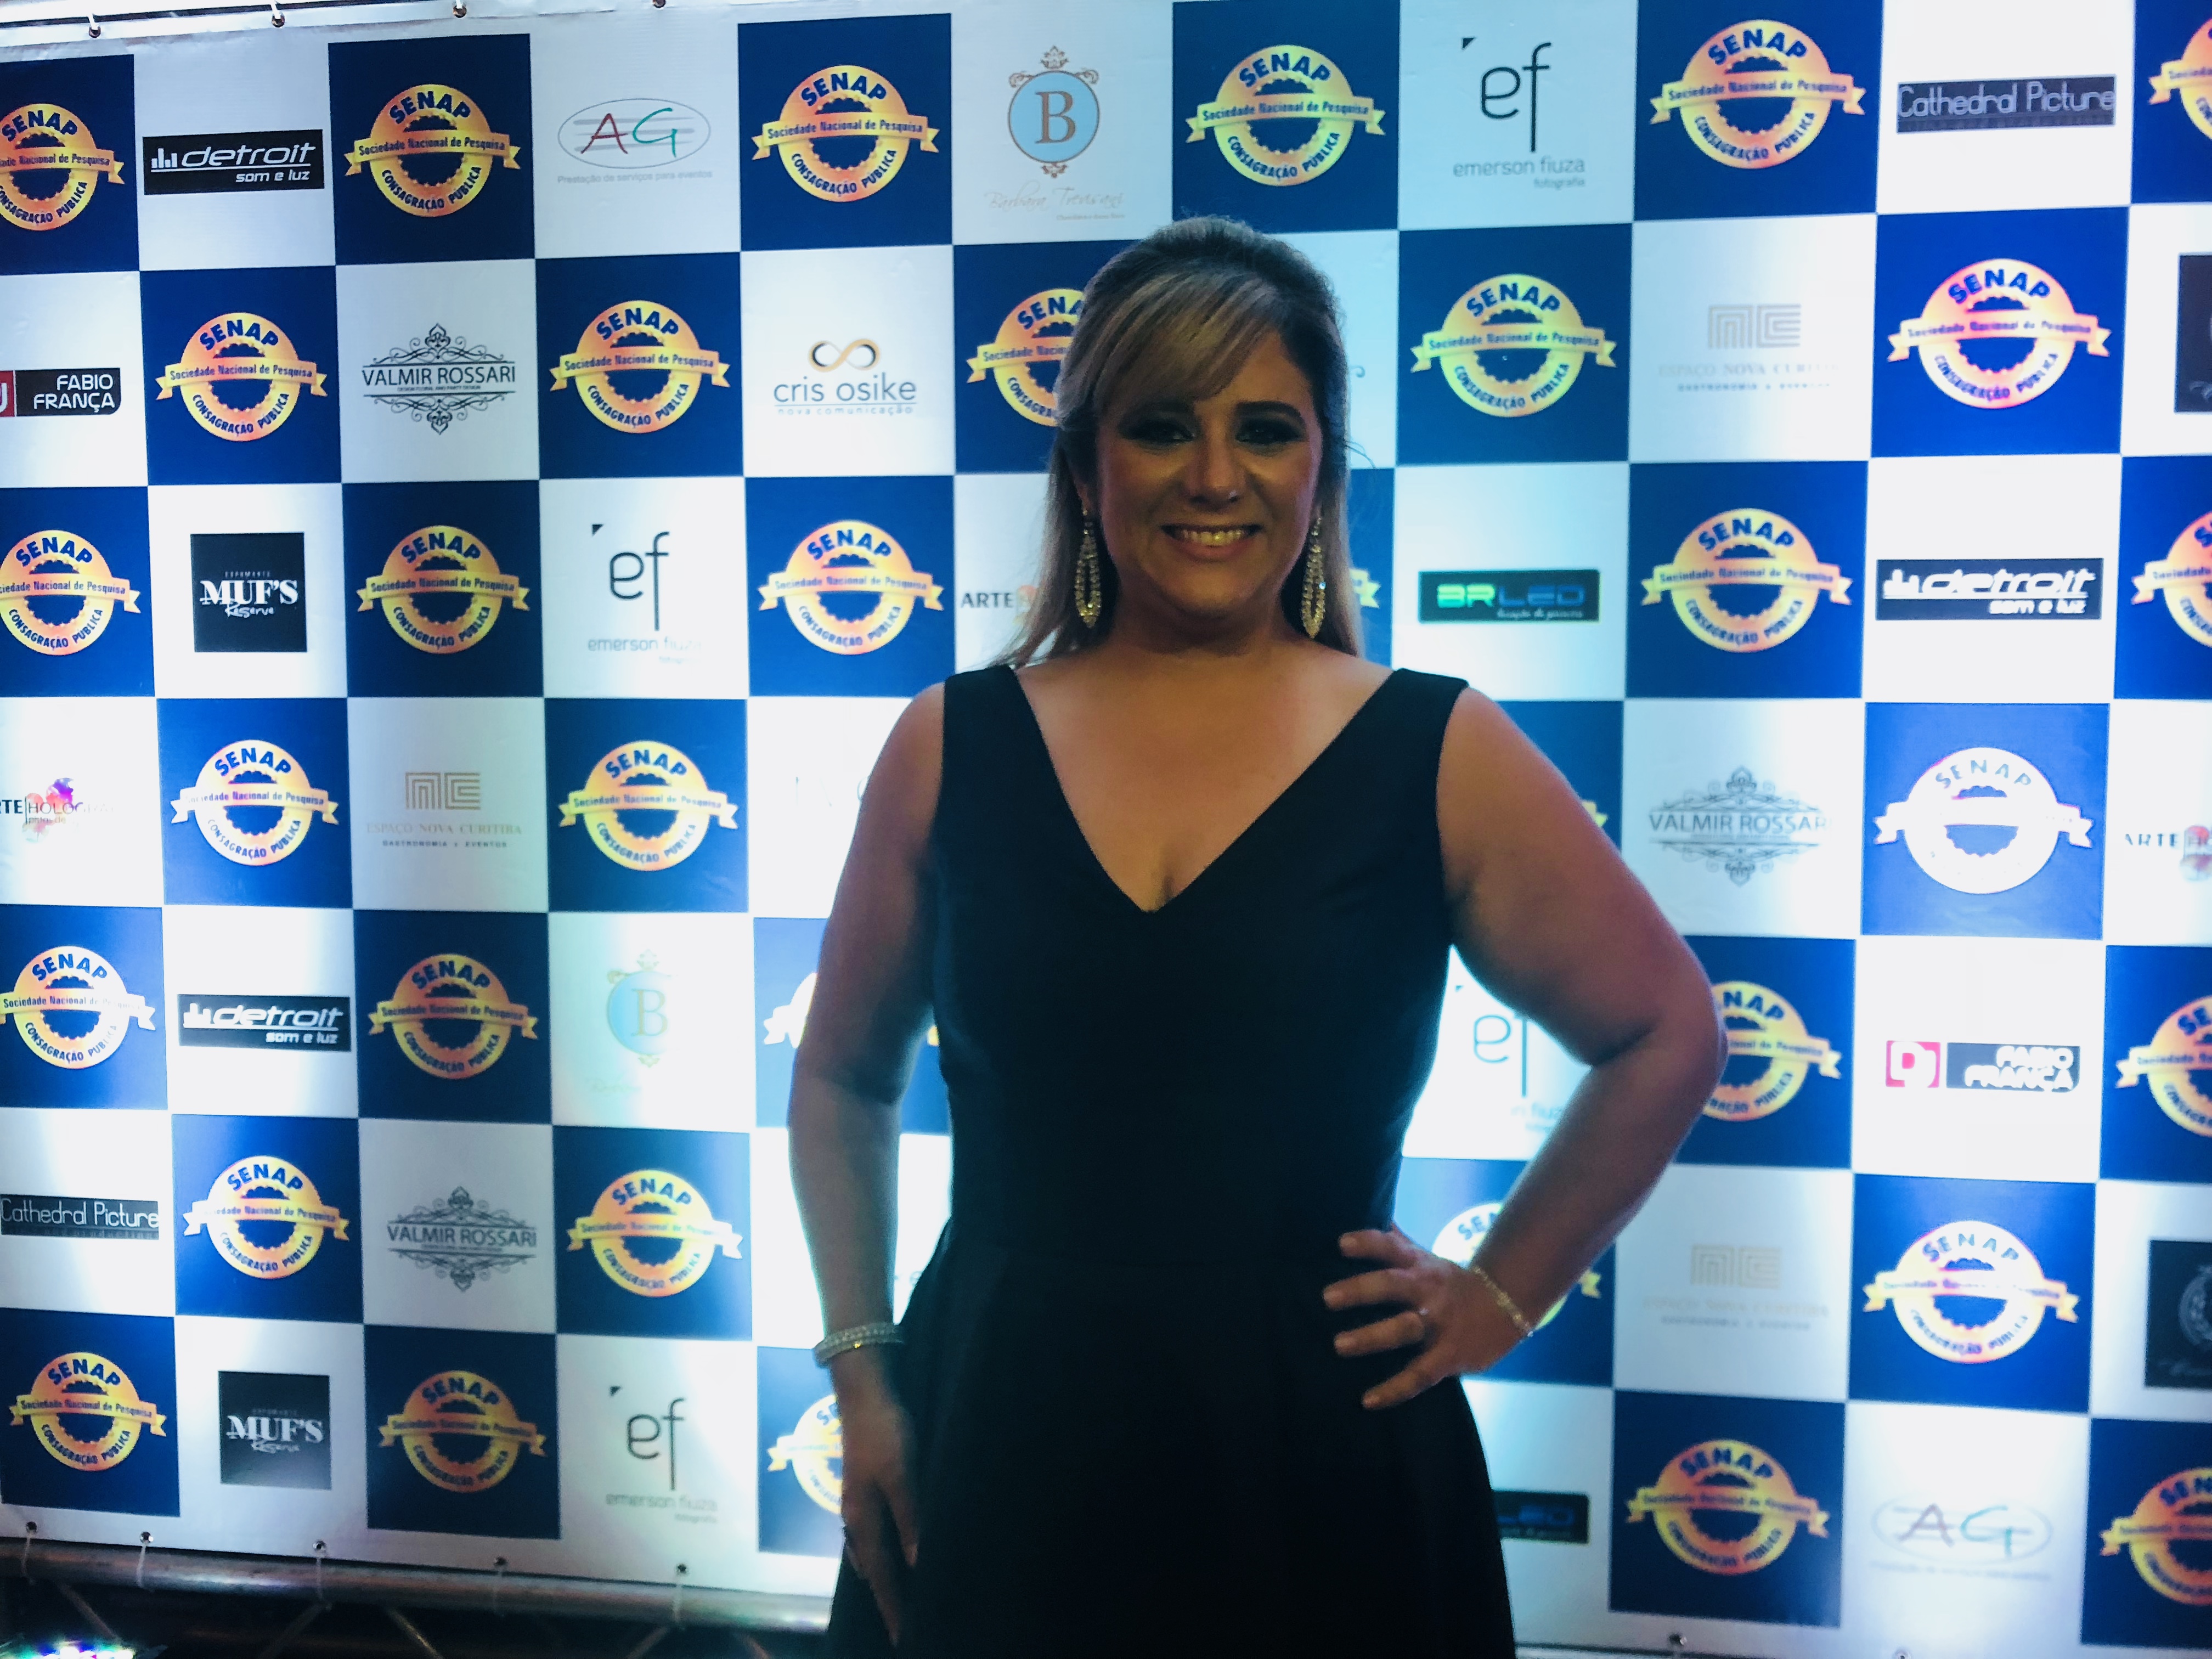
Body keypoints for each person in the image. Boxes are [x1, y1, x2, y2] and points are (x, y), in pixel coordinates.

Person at [787, 217, 1725, 1657]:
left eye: (1267, 430)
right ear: (1086, 468)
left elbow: (1666, 1032)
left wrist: (1498, 1294)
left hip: (1321, 1451)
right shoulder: (949, 742)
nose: (1217, 476)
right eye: (1164, 426)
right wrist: (864, 1376)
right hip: (1001, 1429)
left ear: (1322, 471)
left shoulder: (1438, 747)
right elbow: (843, 1076)